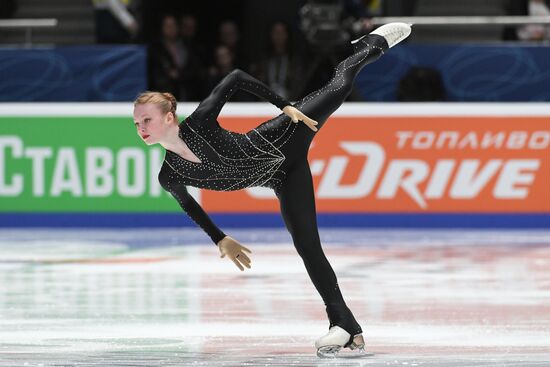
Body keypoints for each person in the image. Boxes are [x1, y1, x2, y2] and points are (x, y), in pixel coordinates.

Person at [133, 22, 411, 357]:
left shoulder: (199, 123)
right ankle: (346, 328)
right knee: (308, 246)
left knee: (339, 87)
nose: (141, 129)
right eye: (136, 124)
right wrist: (220, 238)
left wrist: (284, 105)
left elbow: (235, 77)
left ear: (167, 118)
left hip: (283, 133)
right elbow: (190, 206)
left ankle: (369, 46)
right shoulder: (170, 174)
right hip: (282, 176)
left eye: (146, 120)